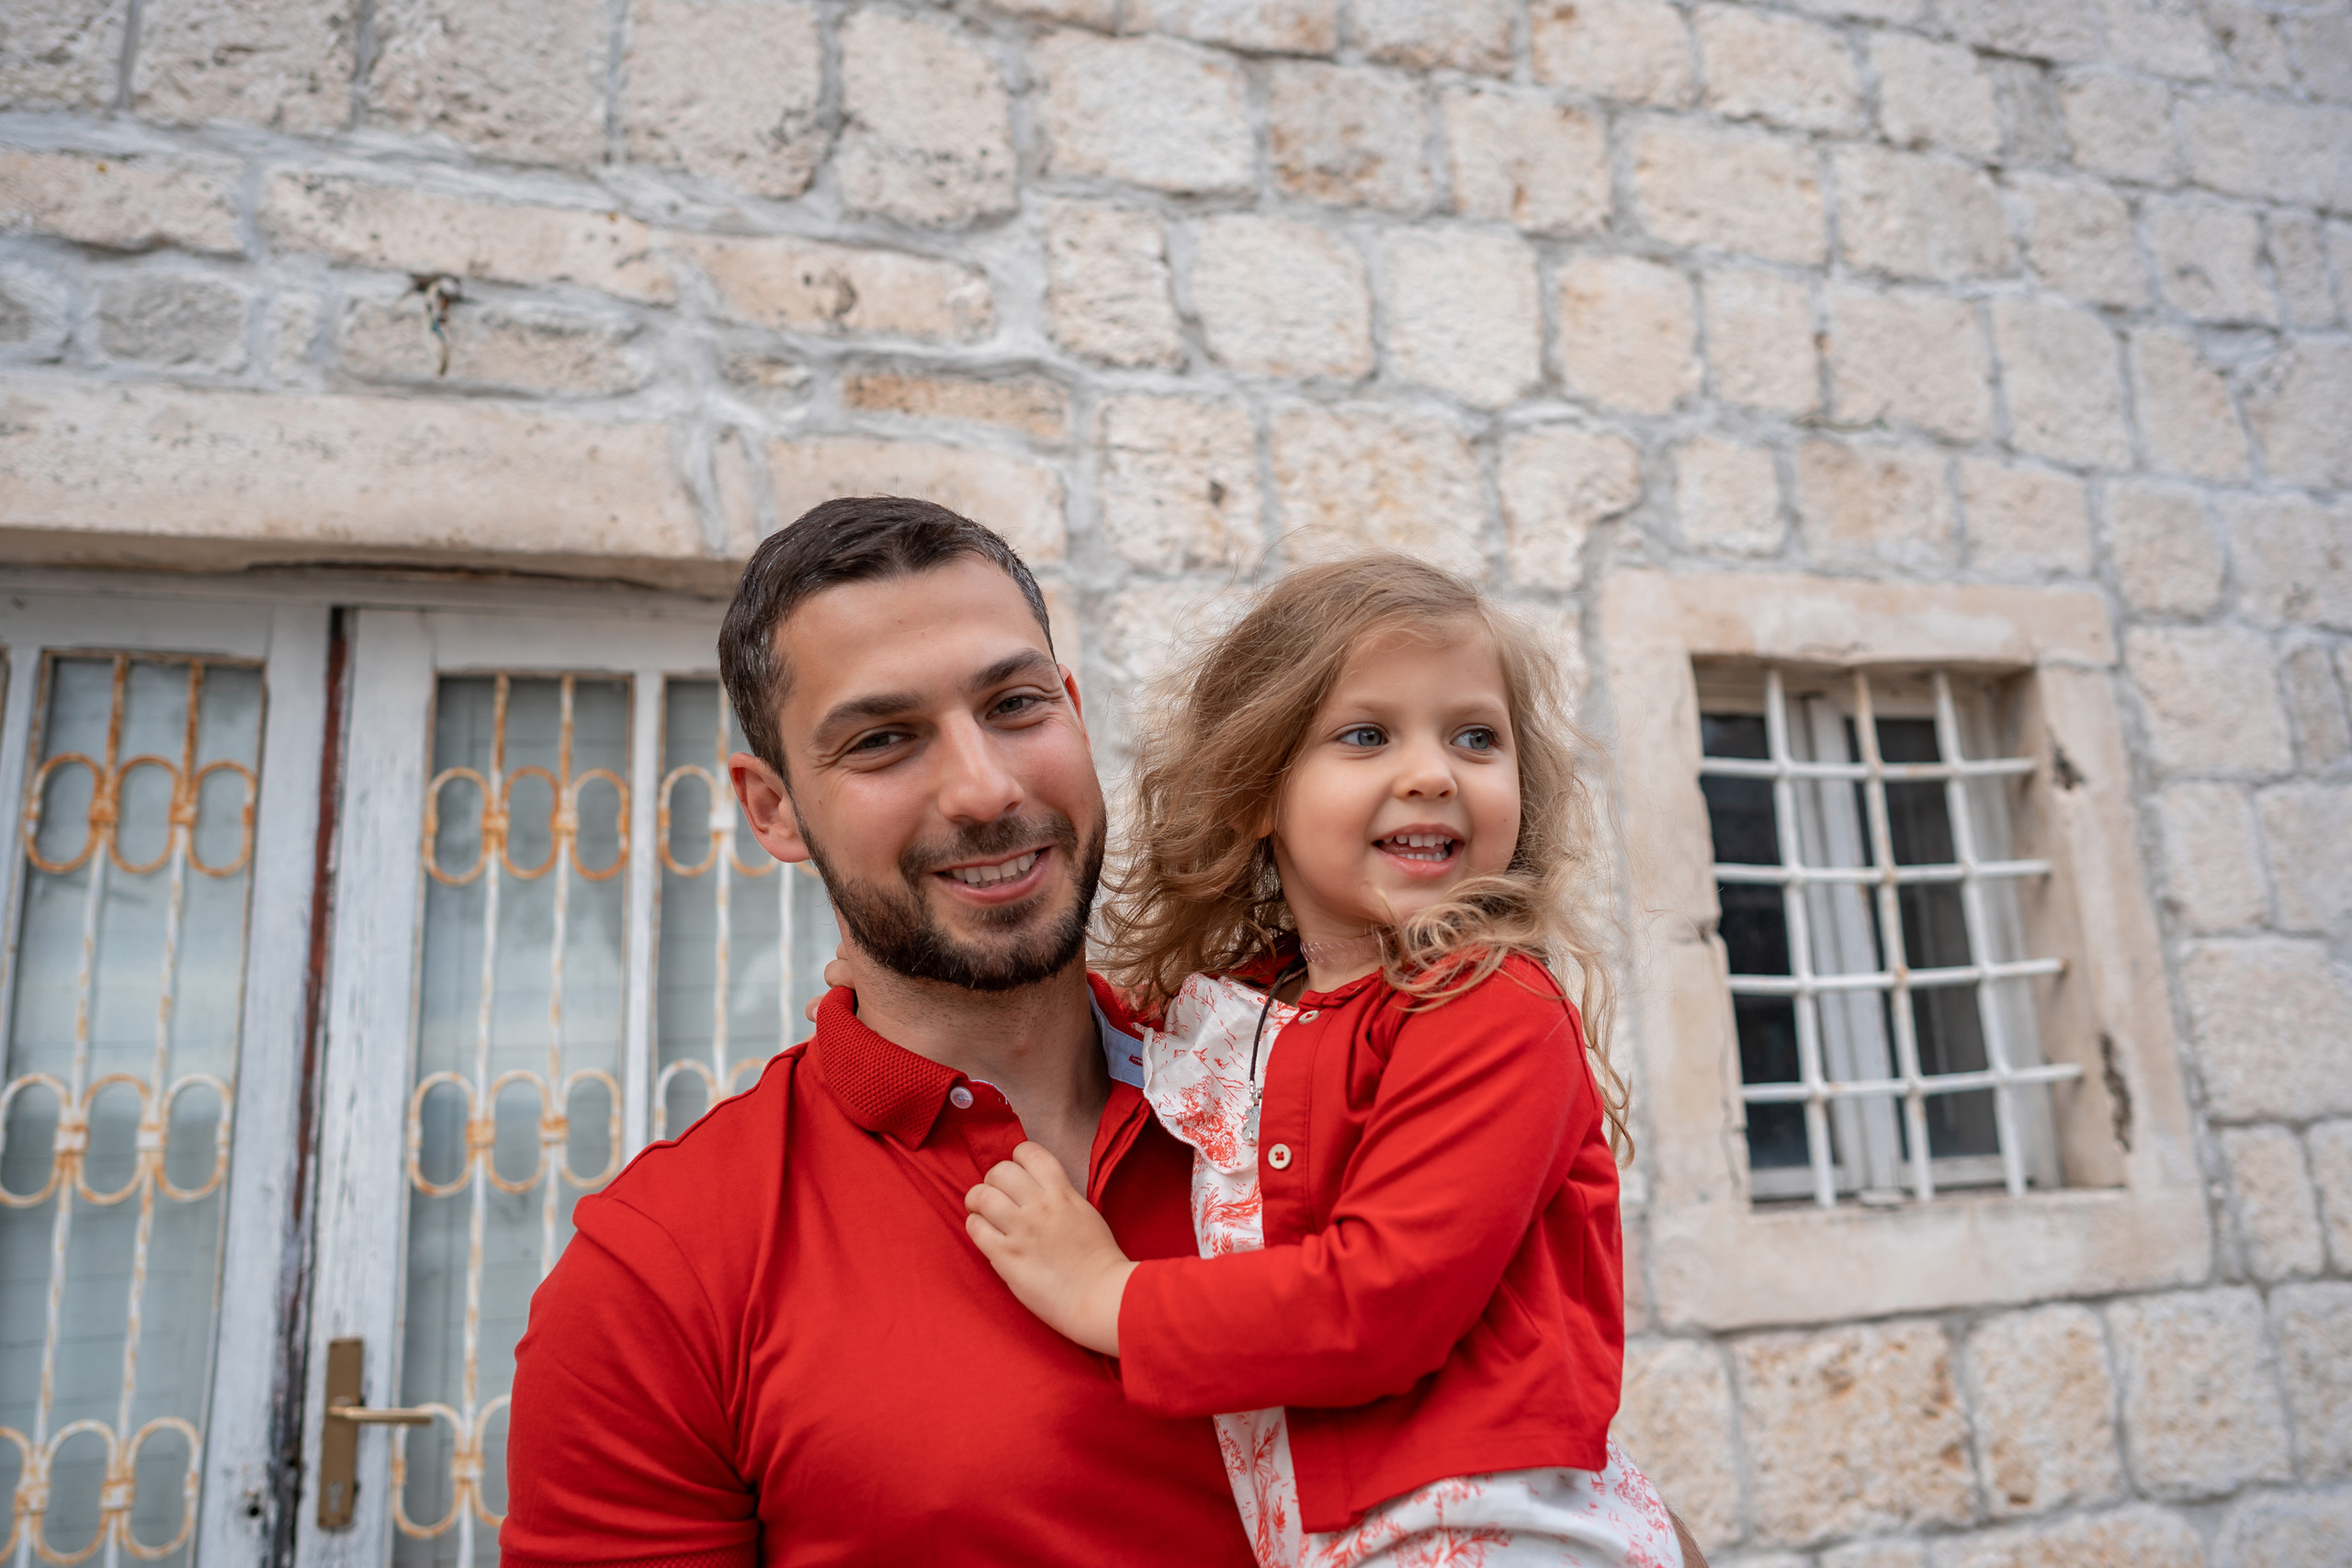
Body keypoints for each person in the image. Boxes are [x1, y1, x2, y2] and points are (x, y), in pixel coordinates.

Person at [501, 497, 1258, 1567]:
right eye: (882, 740)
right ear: (771, 809)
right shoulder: (660, 1275)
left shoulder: (1310, 1106)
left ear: (1076, 713)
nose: (985, 788)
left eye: (1016, 704)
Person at [958, 554, 1683, 1568]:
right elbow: (1128, 1053)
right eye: (1366, 735)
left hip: (1493, 1535)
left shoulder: (1492, 1007)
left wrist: (1105, 1295)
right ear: (1259, 788)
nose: (1433, 771)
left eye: (1476, 736)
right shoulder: (1245, 1011)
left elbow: (1380, 1303)